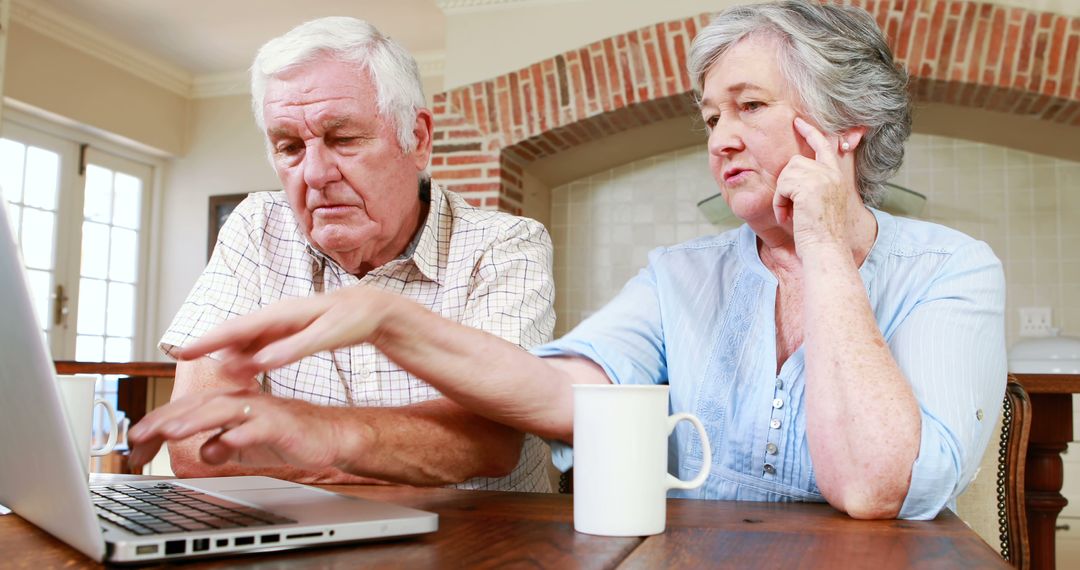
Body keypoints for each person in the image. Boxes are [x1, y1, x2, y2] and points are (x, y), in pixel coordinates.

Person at [131, 0, 1006, 519]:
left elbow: (872, 485)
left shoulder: (953, 271)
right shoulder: (680, 276)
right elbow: (553, 396)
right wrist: (391, 318)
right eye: (711, 117)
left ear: (846, 127)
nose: (722, 139)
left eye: (748, 106)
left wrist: (818, 236)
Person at [151, 16, 556, 492]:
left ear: (418, 139)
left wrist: (315, 435)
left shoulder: (504, 244)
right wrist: (390, 448)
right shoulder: (257, 226)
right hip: (306, 542)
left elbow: (488, 439)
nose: (316, 173)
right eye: (289, 147)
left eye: (344, 139)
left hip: (487, 545)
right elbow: (198, 443)